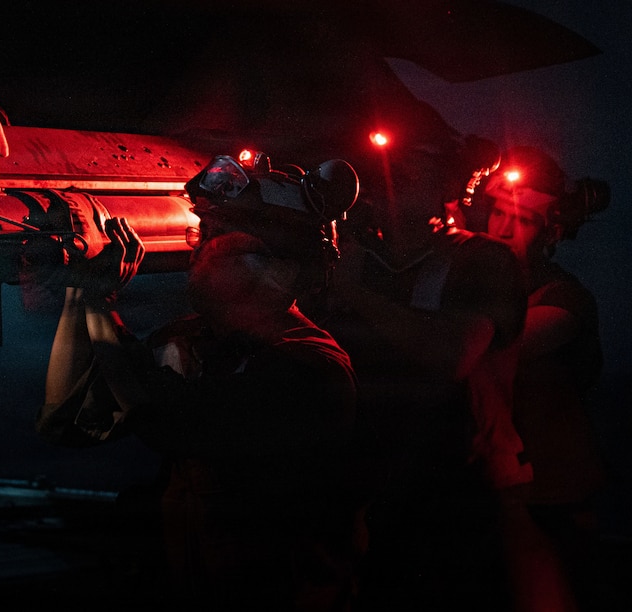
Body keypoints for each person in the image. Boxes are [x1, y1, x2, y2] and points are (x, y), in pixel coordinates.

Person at [37, 153, 369, 611]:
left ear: (282, 269)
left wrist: (97, 296)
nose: (199, 249)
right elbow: (71, 422)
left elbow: (169, 419)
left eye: (218, 238)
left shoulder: (312, 370)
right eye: (203, 233)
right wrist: (76, 294)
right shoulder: (191, 339)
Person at [322, 127, 532, 610]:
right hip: (371, 488)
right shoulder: (355, 260)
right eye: (381, 173)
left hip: (457, 494)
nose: (389, 183)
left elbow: (450, 356)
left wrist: (353, 293)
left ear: (448, 184)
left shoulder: (482, 260)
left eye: (411, 172)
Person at [476, 145, 612, 612]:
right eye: (496, 211)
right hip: (492, 490)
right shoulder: (475, 287)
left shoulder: (565, 298)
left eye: (524, 219)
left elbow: (495, 346)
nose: (504, 227)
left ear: (551, 233)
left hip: (553, 497)